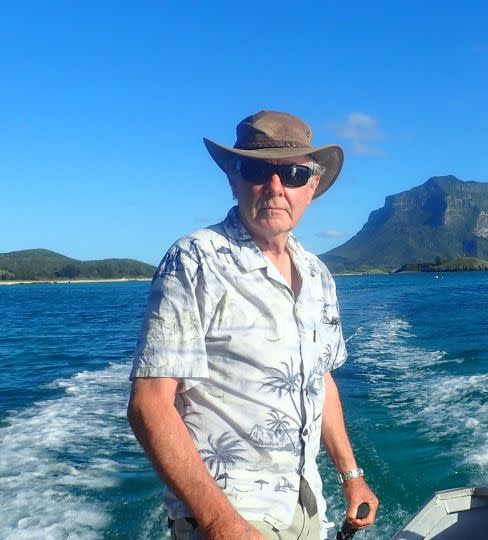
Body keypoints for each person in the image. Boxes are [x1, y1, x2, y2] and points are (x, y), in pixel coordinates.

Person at [127, 110, 378, 540]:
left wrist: (350, 474)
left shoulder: (317, 275)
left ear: (312, 187)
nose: (276, 187)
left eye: (295, 174)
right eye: (258, 169)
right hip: (229, 513)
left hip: (306, 508)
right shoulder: (195, 260)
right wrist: (223, 524)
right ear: (234, 177)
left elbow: (321, 380)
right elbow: (149, 404)